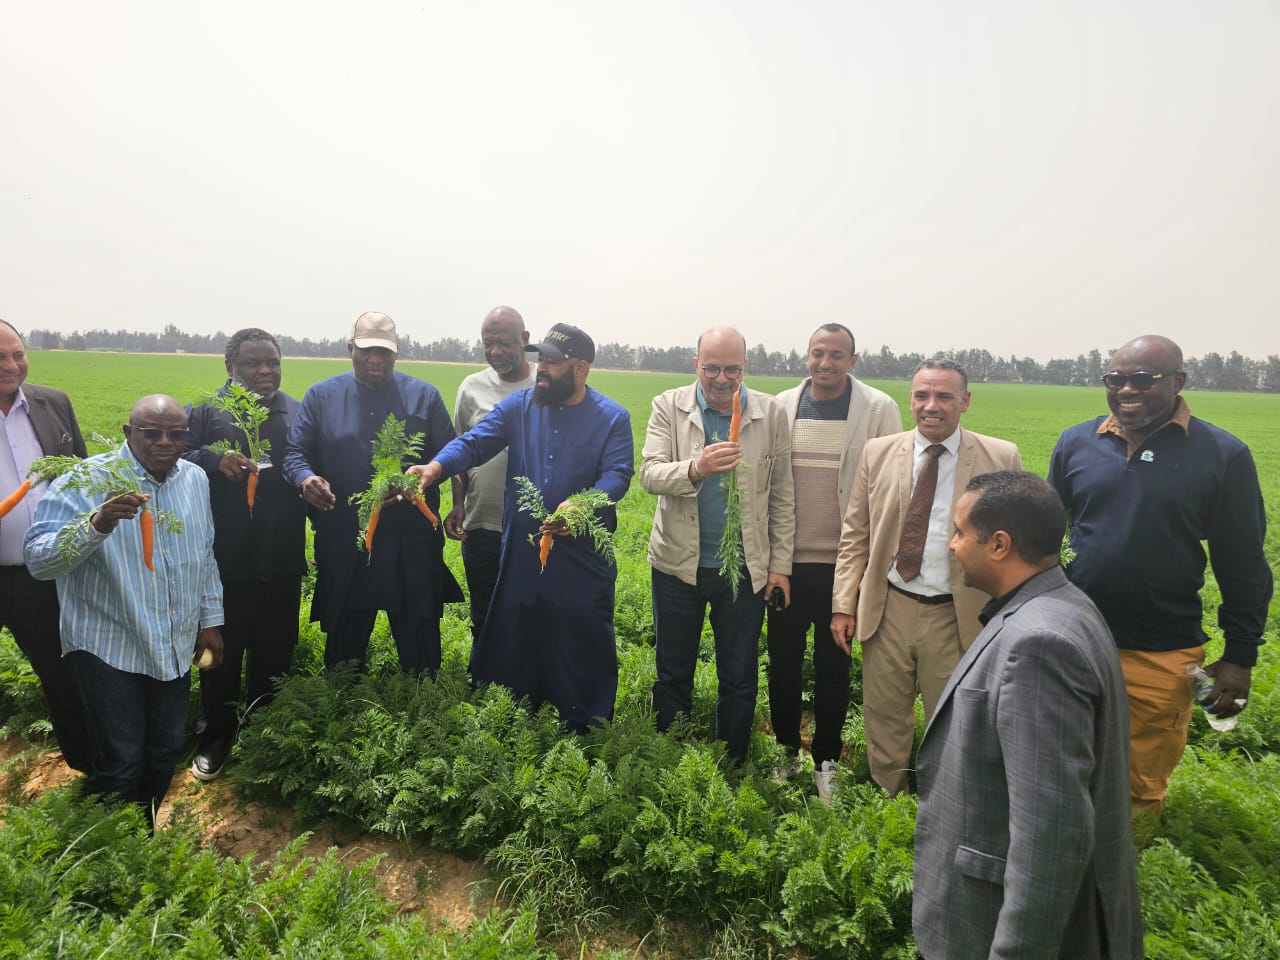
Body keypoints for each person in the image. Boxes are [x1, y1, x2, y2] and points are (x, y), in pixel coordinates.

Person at [913, 471, 1142, 960]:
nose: (951, 545)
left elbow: (1050, 837)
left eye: (959, 532)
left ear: (999, 544)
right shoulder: (1063, 605)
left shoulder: (1038, 646)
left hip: (994, 924)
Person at [1048, 334, 1272, 816]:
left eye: (1143, 379)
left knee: (1140, 783)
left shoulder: (1222, 455)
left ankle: (1131, 860)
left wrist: (1240, 657)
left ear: (1177, 381)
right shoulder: (1076, 442)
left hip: (1160, 649)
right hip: (1073, 640)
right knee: (1059, 766)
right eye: (1115, 379)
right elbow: (1045, 539)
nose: (1127, 390)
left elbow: (1243, 564)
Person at [409, 323, 633, 730]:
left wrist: (583, 505)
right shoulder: (520, 407)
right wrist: (436, 467)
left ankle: (583, 724)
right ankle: (513, 715)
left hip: (582, 555)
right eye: (540, 358)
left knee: (579, 631)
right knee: (519, 627)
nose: (541, 367)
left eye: (552, 361)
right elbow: (474, 442)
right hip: (524, 552)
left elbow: (617, 475)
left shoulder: (612, 418)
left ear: (580, 368)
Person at [24, 395, 224, 827]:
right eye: (152, 433)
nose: (165, 442)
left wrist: (210, 621)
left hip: (173, 643)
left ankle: (140, 839)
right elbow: (39, 560)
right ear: (128, 433)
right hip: (108, 647)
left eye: (176, 434)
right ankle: (104, 847)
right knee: (121, 762)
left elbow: (204, 553)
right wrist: (95, 524)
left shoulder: (194, 479)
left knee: (165, 752)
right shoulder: (86, 479)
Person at [831, 358, 1021, 796]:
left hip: (958, 614)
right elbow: (855, 534)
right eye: (922, 395)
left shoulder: (1000, 458)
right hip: (889, 607)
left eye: (944, 396)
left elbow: (1012, 547)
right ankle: (888, 802)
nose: (931, 405)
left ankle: (945, 803)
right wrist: (843, 604)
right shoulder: (878, 453)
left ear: (965, 402)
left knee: (953, 719)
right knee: (884, 716)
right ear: (911, 399)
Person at [641, 326, 794, 765]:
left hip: (743, 567)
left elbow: (782, 495)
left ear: (745, 366)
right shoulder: (668, 406)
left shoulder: (770, 413)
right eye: (711, 368)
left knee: (739, 673)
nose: (722, 379)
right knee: (673, 670)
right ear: (696, 364)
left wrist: (779, 566)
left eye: (731, 369)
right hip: (677, 564)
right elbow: (649, 474)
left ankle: (732, 762)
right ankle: (671, 759)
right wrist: (696, 468)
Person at [283, 311, 462, 674]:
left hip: (412, 535)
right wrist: (305, 479)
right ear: (351, 349)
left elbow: (452, 455)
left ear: (397, 352)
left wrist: (424, 483)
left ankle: (422, 693)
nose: (375, 359)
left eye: (384, 352)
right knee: (345, 642)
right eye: (367, 351)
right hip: (345, 533)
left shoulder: (424, 396)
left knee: (419, 634)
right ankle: (344, 695)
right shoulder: (321, 396)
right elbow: (294, 453)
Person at [771, 323, 901, 799]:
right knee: (782, 664)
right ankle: (786, 751)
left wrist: (867, 570)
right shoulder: (781, 406)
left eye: (836, 355)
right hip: (787, 565)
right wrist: (775, 562)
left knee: (834, 667)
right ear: (806, 355)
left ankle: (826, 759)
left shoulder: (879, 409)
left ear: (853, 360)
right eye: (818, 353)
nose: (825, 363)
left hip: (845, 567)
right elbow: (770, 486)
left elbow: (888, 488)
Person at [183, 328, 307, 781]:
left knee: (275, 650)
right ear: (229, 367)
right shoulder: (207, 411)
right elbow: (175, 456)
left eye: (272, 362)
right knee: (219, 652)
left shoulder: (296, 411)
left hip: (281, 556)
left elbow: (311, 464)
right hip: (225, 559)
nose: (265, 371)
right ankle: (215, 733)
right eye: (253, 363)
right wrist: (214, 461)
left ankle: (261, 732)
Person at [0, 319, 93, 773]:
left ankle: (89, 765)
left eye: (17, 354)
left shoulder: (53, 403)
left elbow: (83, 477)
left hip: (44, 573)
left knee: (62, 672)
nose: (11, 364)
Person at [446, 306, 535, 637]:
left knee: (530, 613)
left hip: (532, 526)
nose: (495, 351)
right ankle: (484, 666)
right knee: (484, 613)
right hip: (481, 523)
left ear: (524, 339)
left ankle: (524, 669)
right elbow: (460, 450)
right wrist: (458, 504)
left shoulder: (545, 384)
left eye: (504, 343)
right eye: (488, 343)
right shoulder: (471, 387)